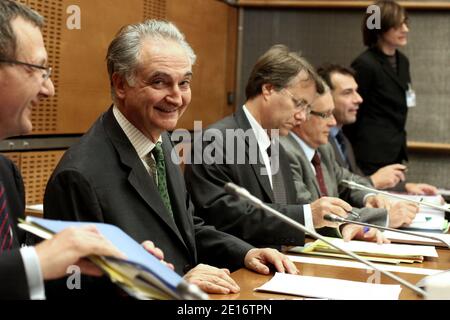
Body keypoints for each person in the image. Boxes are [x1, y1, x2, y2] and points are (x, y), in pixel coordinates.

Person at [44, 20, 298, 296]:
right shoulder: (79, 176)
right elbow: (77, 289)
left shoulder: (161, 140)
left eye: (184, 82)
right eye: (159, 82)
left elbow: (186, 230)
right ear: (120, 84)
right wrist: (174, 284)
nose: (177, 97)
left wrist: (246, 252)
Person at [184, 45, 379, 248]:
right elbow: (223, 217)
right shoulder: (216, 141)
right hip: (233, 271)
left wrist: (343, 230)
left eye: (307, 108)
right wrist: (307, 215)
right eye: (299, 103)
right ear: (268, 89)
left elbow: (286, 215)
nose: (302, 116)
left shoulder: (277, 146)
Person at [0, 0, 126, 300]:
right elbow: (27, 266)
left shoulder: (7, 177)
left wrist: (114, 269)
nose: (49, 89)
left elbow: (20, 283)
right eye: (39, 69)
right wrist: (37, 261)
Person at [280, 85, 419, 231]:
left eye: (332, 113)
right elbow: (315, 214)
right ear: (300, 115)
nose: (333, 122)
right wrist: (385, 217)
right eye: (325, 114)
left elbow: (349, 182)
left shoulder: (323, 148)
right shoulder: (283, 151)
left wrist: (370, 196)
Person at [317, 63, 438, 195]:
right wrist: (374, 180)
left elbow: (357, 181)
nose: (359, 99)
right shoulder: (318, 141)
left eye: (356, 91)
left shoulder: (343, 139)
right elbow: (333, 192)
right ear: (325, 98)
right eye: (347, 93)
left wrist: (404, 187)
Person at [345, 0, 415, 176]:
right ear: (380, 27)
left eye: (405, 23)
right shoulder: (365, 64)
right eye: (398, 25)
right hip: (370, 154)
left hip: (395, 149)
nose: (405, 29)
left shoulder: (403, 61)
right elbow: (352, 112)